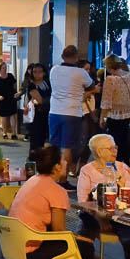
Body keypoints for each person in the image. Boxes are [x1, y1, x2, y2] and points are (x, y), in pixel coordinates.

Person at [9, 146, 110, 259]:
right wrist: (79, 238)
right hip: (30, 251)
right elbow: (59, 232)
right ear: (56, 166)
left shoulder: (33, 180)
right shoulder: (56, 190)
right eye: (63, 160)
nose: (66, 162)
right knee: (82, 246)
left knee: (74, 242)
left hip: (12, 246)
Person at [48, 45, 95, 189]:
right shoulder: (80, 72)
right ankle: (63, 179)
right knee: (66, 147)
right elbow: (91, 85)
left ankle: (51, 176)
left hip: (55, 111)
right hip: (72, 112)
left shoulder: (54, 70)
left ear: (62, 56)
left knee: (54, 145)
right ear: (76, 57)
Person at [99, 54, 130, 167]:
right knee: (125, 140)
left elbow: (106, 101)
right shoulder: (129, 76)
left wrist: (102, 118)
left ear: (109, 66)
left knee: (114, 142)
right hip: (127, 113)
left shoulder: (110, 80)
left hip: (114, 115)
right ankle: (126, 164)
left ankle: (115, 165)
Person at [73, 59, 101, 176]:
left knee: (90, 141)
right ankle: (73, 166)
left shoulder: (90, 81)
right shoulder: (76, 82)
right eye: (85, 69)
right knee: (82, 141)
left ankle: (81, 167)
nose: (88, 71)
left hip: (91, 112)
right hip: (81, 113)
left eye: (89, 69)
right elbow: (81, 97)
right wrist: (93, 90)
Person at [24, 63, 51, 155]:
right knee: (35, 141)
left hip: (46, 114)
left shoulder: (47, 83)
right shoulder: (31, 85)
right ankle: (31, 162)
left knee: (42, 140)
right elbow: (39, 100)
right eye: (35, 72)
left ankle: (40, 161)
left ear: (44, 73)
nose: (37, 74)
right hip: (36, 116)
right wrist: (50, 99)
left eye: (40, 72)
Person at [0, 62, 19, 139]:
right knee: (4, 117)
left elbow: (14, 85)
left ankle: (14, 133)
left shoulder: (10, 76)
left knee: (12, 115)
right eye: (3, 68)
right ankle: (4, 133)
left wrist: (16, 93)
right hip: (3, 99)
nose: (5, 69)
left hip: (11, 98)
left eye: (6, 67)